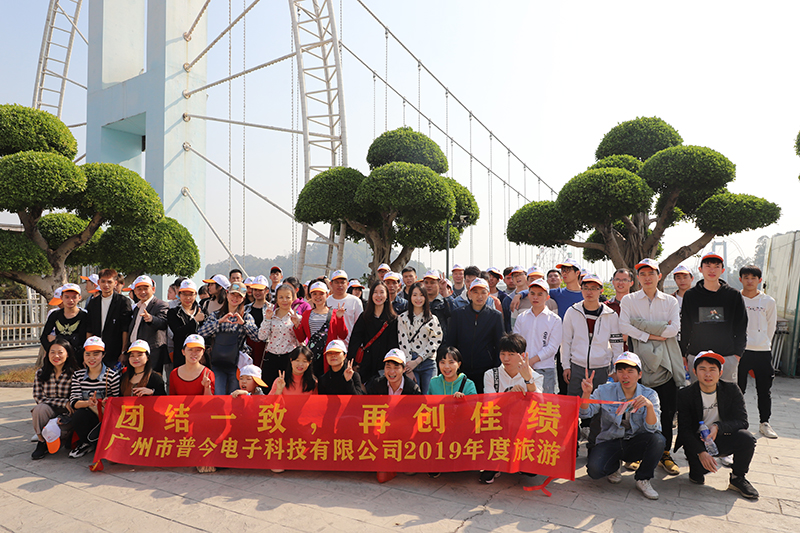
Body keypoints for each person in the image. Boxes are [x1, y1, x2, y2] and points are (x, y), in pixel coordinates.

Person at [619, 258, 684, 476]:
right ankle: (638, 452)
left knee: (666, 410)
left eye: (651, 273)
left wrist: (639, 327)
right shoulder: (629, 300)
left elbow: (673, 330)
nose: (647, 278)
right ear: (637, 277)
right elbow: (623, 326)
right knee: (637, 408)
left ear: (659, 276)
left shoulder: (670, 302)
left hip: (666, 363)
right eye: (643, 274)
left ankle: (664, 453)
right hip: (638, 362)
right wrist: (652, 336)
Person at [675, 351, 759, 499]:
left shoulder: (732, 390)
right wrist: (702, 452)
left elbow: (742, 421)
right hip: (697, 442)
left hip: (722, 437)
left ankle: (738, 478)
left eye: (712, 369)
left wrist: (718, 427)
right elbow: (685, 430)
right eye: (702, 369)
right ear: (694, 371)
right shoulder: (686, 394)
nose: (708, 374)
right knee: (698, 477)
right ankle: (697, 467)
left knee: (746, 438)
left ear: (720, 373)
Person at [580, 352, 664, 500]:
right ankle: (614, 465)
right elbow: (585, 413)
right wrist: (586, 394)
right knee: (594, 471)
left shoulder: (650, 395)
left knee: (658, 440)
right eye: (620, 371)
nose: (625, 376)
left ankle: (643, 479)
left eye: (630, 371)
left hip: (635, 441)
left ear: (639, 374)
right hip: (610, 440)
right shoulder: (604, 390)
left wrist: (649, 406)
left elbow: (652, 428)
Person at [480, 333, 542, 488]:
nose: (506, 359)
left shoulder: (535, 376)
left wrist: (528, 380)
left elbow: (540, 404)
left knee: (530, 472)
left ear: (522, 356)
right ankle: (495, 462)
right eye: (503, 354)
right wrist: (509, 396)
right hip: (498, 426)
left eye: (511, 354)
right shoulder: (491, 374)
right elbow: (489, 404)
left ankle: (518, 460)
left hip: (522, 428)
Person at [680, 252, 748, 384]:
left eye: (716, 266)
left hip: (727, 356)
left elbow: (741, 327)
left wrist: (737, 356)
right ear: (700, 269)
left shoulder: (733, 295)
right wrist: (684, 354)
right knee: (698, 394)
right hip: (697, 356)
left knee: (727, 394)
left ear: (722, 270)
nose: (712, 270)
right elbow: (685, 326)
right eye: (708, 266)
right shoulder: (691, 295)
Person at [562, 273, 623, 396]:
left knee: (599, 402)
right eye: (586, 288)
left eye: (594, 288)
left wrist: (617, 370)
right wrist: (566, 366)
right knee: (575, 402)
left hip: (601, 367)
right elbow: (565, 341)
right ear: (581, 289)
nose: (589, 292)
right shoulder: (572, 311)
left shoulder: (611, 315)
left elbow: (617, 344)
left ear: (601, 291)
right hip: (577, 366)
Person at [197, 281, 260, 394]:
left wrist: (244, 324)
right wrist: (219, 322)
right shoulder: (215, 315)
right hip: (218, 362)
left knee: (235, 396)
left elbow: (257, 337)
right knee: (218, 395)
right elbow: (201, 333)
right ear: (227, 294)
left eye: (239, 296)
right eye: (233, 294)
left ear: (243, 299)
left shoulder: (246, 316)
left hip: (238, 364)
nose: (235, 298)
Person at [738, 265, 778, 439]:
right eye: (746, 277)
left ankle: (764, 423)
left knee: (764, 390)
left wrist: (764, 343)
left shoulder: (768, 301)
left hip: (762, 351)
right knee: (738, 389)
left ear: (759, 280)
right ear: (740, 279)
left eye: (753, 278)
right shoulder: (735, 299)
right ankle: (737, 421)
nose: (749, 281)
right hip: (740, 351)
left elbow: (771, 326)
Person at [168, 334, 216, 473]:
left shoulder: (208, 373)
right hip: (181, 417)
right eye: (190, 350)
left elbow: (209, 404)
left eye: (198, 350)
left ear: (203, 352)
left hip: (200, 419)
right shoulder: (174, 373)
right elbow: (172, 400)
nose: (194, 354)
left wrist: (206, 387)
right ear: (183, 352)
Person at [447, 278, 504, 393]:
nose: (479, 296)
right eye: (475, 292)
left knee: (483, 401)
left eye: (483, 292)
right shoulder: (458, 314)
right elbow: (451, 342)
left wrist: (495, 367)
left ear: (488, 294)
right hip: (462, 368)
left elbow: (500, 344)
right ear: (469, 294)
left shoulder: (495, 316)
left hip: (486, 369)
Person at [68, 336, 121, 459]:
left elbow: (117, 402)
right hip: (87, 416)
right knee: (78, 416)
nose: (91, 358)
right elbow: (73, 402)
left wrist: (107, 402)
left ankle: (98, 443)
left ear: (103, 355)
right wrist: (88, 403)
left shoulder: (112, 376)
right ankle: (87, 443)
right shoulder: (78, 375)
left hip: (105, 418)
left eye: (96, 354)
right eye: (87, 354)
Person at [31, 338, 80, 460]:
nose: (56, 356)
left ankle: (67, 436)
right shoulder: (41, 373)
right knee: (39, 409)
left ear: (68, 354)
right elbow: (39, 397)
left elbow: (75, 399)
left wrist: (64, 413)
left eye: (60, 352)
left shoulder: (75, 374)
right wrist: (64, 402)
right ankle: (42, 442)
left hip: (68, 414)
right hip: (49, 410)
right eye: (52, 352)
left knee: (61, 432)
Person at [512, 279, 562, 394]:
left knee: (544, 402)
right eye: (532, 293)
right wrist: (524, 362)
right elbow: (516, 343)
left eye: (540, 294)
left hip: (545, 369)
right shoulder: (521, 317)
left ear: (547, 297)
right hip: (522, 368)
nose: (535, 297)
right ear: (528, 295)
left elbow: (552, 347)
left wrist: (532, 361)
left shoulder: (555, 320)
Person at [348, 279, 399, 385]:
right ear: (371, 295)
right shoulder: (364, 317)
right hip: (366, 363)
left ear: (387, 296)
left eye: (382, 292)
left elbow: (394, 344)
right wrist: (352, 362)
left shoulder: (393, 319)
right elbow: (355, 340)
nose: (378, 296)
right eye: (375, 292)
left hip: (385, 365)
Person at [295, 281, 348, 377]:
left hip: (329, 354)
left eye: (321, 294)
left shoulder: (335, 313)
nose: (317, 297)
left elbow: (343, 335)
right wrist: (296, 325)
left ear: (327, 295)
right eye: (314, 294)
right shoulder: (306, 314)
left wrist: (340, 318)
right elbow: (301, 338)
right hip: (312, 354)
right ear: (310, 296)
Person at [398, 282, 443, 394]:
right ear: (410, 297)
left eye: (421, 295)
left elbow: (435, 341)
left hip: (428, 362)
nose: (418, 298)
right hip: (410, 362)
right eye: (415, 295)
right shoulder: (402, 318)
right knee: (414, 397)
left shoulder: (432, 319)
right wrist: (409, 367)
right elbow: (403, 342)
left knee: (430, 397)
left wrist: (418, 360)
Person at [85, 268, 133, 367]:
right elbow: (89, 328)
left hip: (115, 352)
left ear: (115, 283)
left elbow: (125, 329)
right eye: (103, 281)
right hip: (96, 351)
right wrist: (88, 351)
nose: (106, 285)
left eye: (109, 282)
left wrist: (123, 352)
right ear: (98, 282)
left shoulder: (123, 301)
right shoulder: (93, 302)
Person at [258, 283, 302, 387]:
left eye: (288, 297)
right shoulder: (270, 315)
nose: (284, 300)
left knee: (288, 388)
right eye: (281, 297)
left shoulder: (298, 318)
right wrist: (267, 319)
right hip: (271, 357)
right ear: (276, 299)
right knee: (268, 388)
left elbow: (301, 341)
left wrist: (297, 325)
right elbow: (261, 336)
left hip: (289, 358)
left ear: (293, 298)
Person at [127, 275, 170, 375]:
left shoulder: (161, 305)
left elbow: (163, 323)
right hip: (135, 351)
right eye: (139, 289)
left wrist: (151, 319)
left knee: (151, 380)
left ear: (153, 289)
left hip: (152, 352)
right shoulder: (137, 307)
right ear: (135, 291)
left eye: (146, 288)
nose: (142, 292)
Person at [41, 283, 88, 356]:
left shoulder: (84, 316)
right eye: (67, 297)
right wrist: (51, 350)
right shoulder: (54, 315)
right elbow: (44, 336)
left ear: (79, 298)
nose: (70, 300)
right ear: (61, 298)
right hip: (59, 355)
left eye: (74, 297)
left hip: (77, 356)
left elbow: (84, 339)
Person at [167, 279, 205, 368]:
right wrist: (195, 321)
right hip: (181, 355)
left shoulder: (202, 311)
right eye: (184, 294)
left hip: (199, 356)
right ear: (179, 295)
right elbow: (178, 332)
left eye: (191, 294)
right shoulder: (173, 312)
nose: (187, 298)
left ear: (195, 295)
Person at [327, 269, 363, 345]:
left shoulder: (355, 301)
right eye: (336, 282)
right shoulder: (326, 301)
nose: (340, 285)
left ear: (347, 284)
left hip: (349, 345)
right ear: (331, 284)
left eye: (342, 282)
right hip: (330, 345)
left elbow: (360, 326)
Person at [244, 275, 270, 367]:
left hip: (265, 345)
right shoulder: (246, 308)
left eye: (260, 290)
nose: (257, 292)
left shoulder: (271, 309)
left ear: (267, 291)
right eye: (255, 289)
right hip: (248, 345)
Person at [423, 270, 452, 343]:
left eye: (432, 283)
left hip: (442, 343)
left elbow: (452, 312)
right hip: (423, 343)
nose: (429, 285)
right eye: (426, 282)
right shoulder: (420, 302)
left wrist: (444, 290)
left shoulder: (444, 302)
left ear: (439, 284)